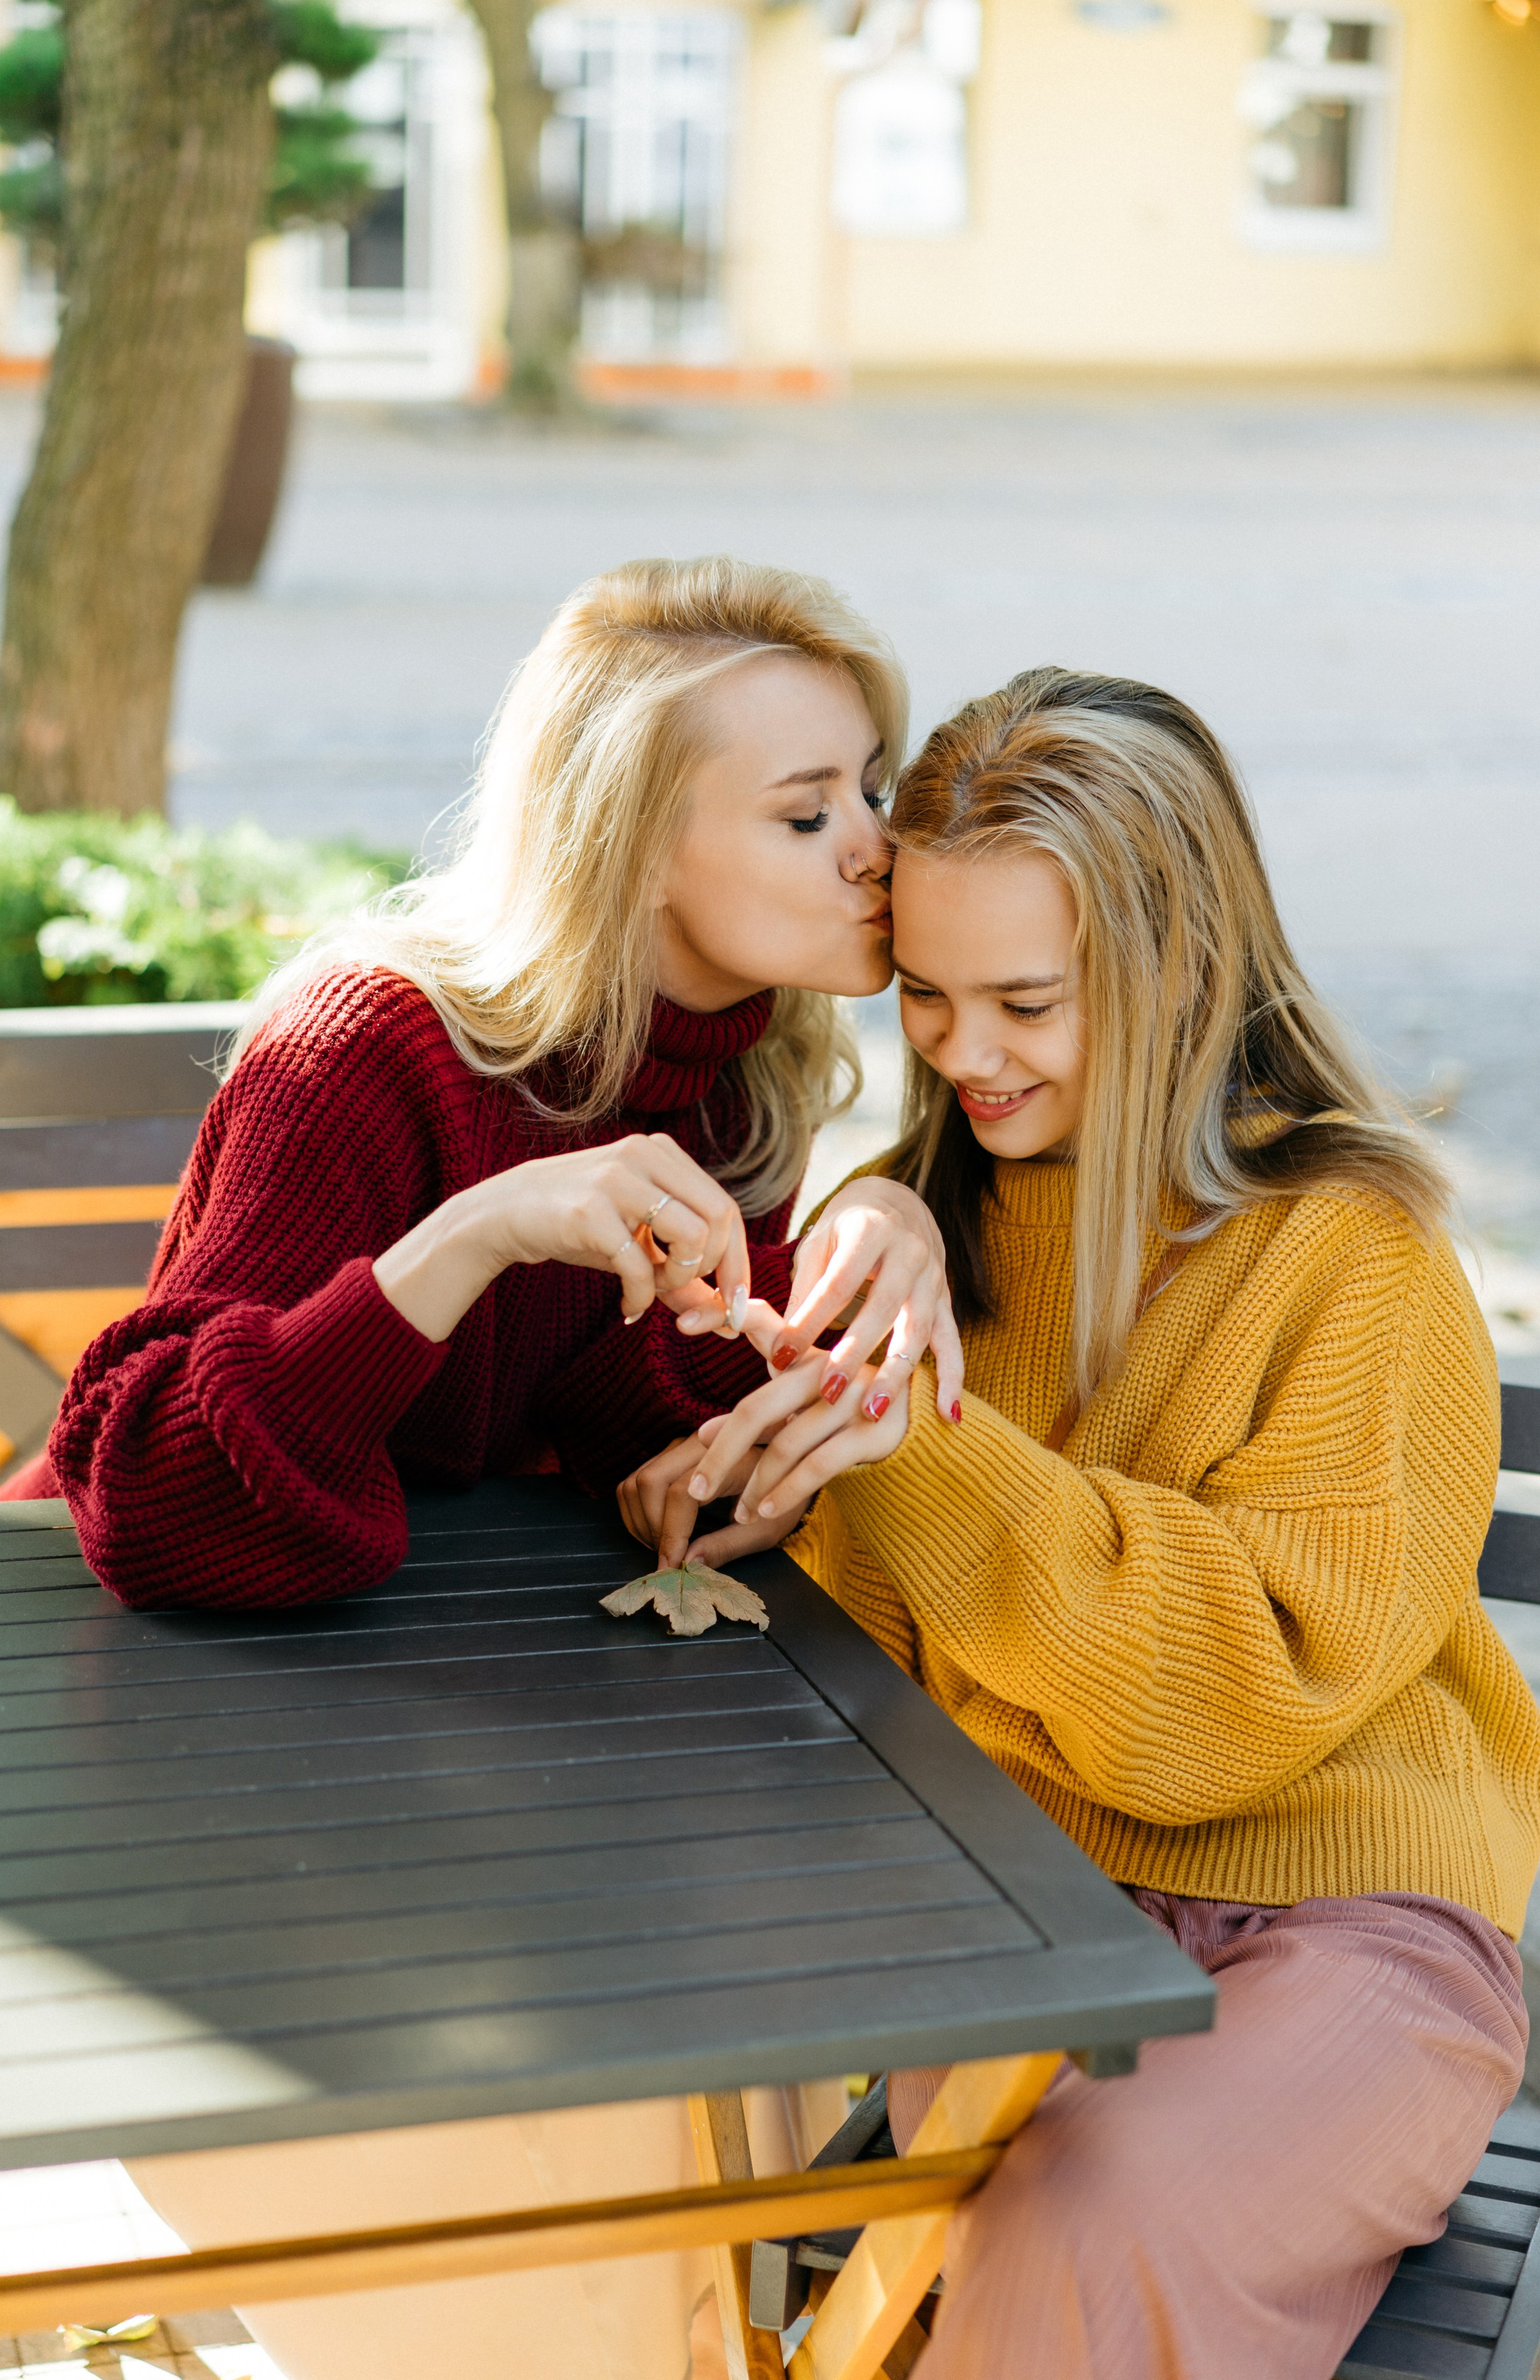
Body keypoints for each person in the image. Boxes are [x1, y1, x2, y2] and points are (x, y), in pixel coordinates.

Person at [646, 667, 1540, 2379]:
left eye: (1027, 1004)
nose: (964, 1054)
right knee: (693, 2190)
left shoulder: (1360, 1259)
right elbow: (852, 1657)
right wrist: (729, 1469)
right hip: (1013, 1905)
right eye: (923, 996)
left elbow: (1218, 1721)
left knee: (1073, 2229)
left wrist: (918, 1447)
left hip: (1353, 1930)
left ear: (1183, 968)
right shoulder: (913, 1244)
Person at [0, 555, 962, 1613]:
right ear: (631, 849)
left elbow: (603, 1420)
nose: (881, 850)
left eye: (872, 787)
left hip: (425, 1665)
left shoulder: (743, 1072)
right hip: (59, 1641)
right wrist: (479, 1232)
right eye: (807, 817)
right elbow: (155, 1505)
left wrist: (848, 1254)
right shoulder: (362, 1051)